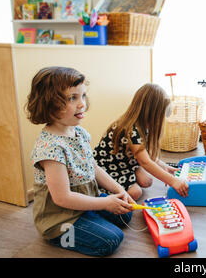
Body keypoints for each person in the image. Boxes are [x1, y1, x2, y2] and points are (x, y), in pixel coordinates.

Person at [27, 66, 135, 257]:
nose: (82, 104)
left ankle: (92, 216)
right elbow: (62, 198)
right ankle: (59, 234)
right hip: (60, 218)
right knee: (112, 239)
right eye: (72, 98)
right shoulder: (50, 148)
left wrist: (120, 190)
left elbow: (93, 167)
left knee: (126, 212)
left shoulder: (79, 133)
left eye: (83, 96)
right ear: (49, 104)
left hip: (84, 202)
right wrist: (104, 204)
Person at [93, 83, 189, 201]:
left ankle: (133, 173)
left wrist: (165, 167)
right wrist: (173, 180)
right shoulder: (131, 130)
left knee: (147, 181)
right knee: (135, 192)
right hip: (109, 168)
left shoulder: (142, 126)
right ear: (152, 114)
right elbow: (145, 162)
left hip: (126, 163)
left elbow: (146, 154)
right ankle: (103, 190)